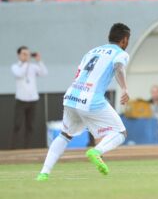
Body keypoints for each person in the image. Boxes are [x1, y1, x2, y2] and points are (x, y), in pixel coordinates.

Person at [36, 23, 131, 181]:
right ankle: (96, 151)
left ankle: (43, 173)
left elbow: (80, 73)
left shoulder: (92, 51)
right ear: (124, 40)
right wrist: (125, 88)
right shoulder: (120, 53)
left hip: (72, 96)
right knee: (120, 133)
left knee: (65, 135)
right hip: (91, 99)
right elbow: (119, 66)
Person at [11, 46, 48, 149]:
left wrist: (39, 61)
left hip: (33, 100)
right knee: (17, 125)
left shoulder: (33, 66)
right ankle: (14, 148)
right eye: (24, 54)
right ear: (19, 55)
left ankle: (27, 148)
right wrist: (26, 63)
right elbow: (20, 74)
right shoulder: (15, 67)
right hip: (21, 100)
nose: (26, 56)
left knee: (30, 126)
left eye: (27, 54)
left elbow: (44, 73)